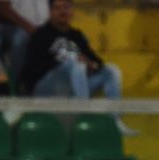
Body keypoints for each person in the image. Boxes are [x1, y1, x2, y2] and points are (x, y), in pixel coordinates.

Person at [19, 0, 135, 134]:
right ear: (50, 12)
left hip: (73, 87)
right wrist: (67, 63)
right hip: (46, 88)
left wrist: (91, 64)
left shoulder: (77, 35)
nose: (63, 12)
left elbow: (97, 61)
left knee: (111, 70)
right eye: (58, 8)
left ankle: (115, 121)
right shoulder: (41, 35)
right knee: (75, 64)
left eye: (67, 8)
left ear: (72, 11)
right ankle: (83, 116)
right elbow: (33, 69)